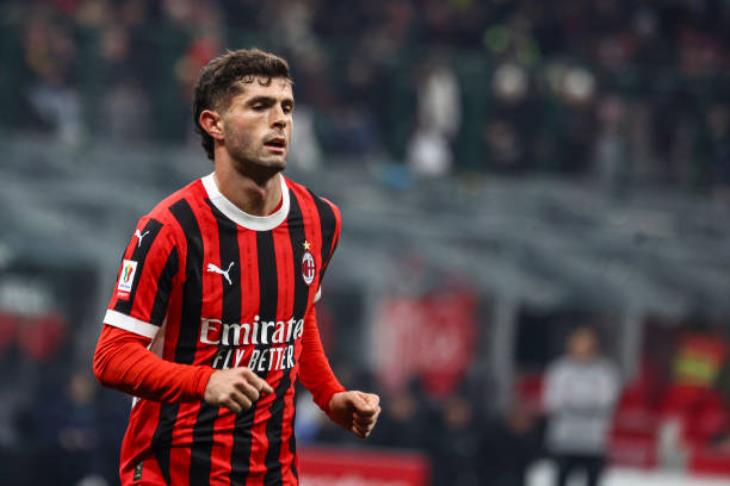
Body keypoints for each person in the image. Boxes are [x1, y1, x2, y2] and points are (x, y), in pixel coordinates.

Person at [92, 48, 381, 485]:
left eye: (286, 107)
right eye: (260, 106)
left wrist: (330, 395)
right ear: (215, 125)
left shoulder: (320, 219)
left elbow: (296, 321)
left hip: (273, 474)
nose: (280, 120)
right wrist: (204, 382)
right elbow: (112, 357)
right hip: (172, 473)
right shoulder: (171, 228)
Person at [543, 326, 620, 486]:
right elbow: (553, 401)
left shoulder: (604, 371)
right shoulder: (560, 369)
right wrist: (585, 405)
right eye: (579, 343)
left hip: (593, 439)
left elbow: (606, 400)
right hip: (564, 438)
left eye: (587, 343)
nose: (582, 347)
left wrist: (575, 405)